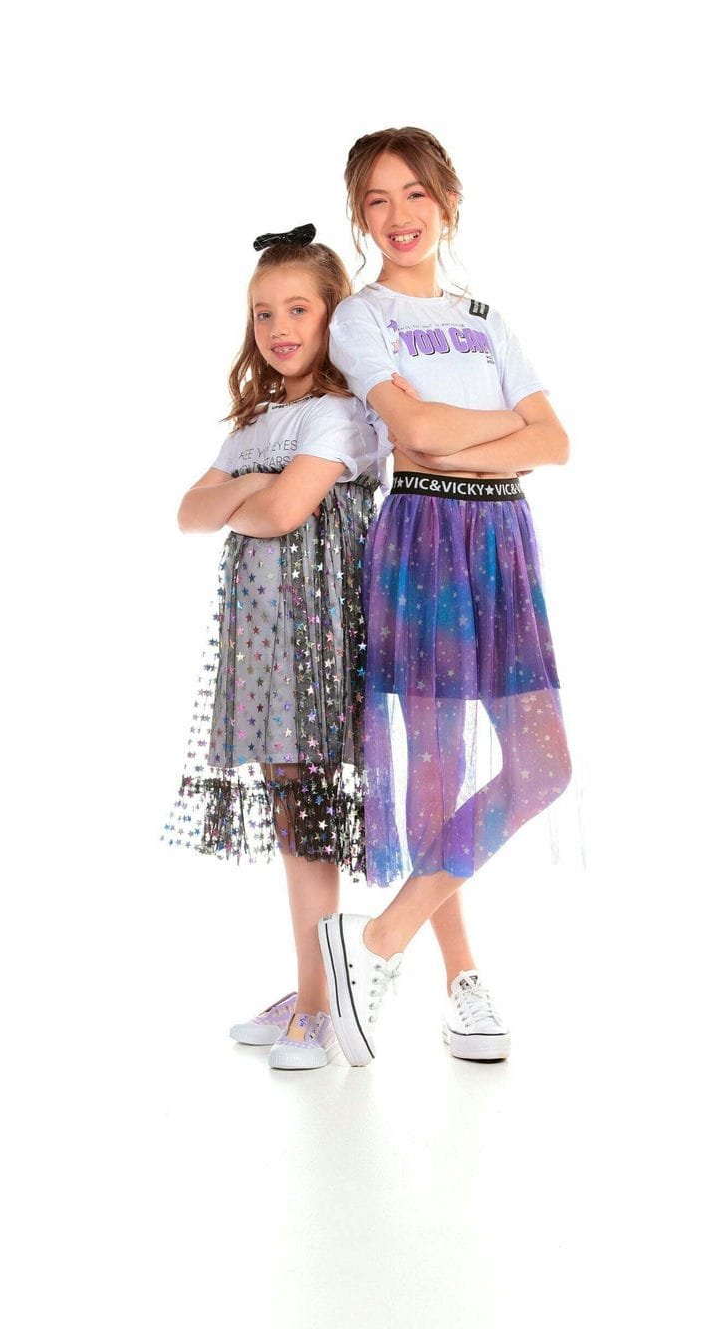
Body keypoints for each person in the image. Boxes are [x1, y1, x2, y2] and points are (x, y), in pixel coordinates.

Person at [321, 127, 573, 1066]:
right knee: (435, 769)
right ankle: (461, 979)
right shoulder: (362, 318)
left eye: (415, 194)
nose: (399, 216)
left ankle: (376, 937)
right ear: (360, 216)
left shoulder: (485, 317)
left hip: (504, 543)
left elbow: (555, 441)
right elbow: (414, 434)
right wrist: (499, 430)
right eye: (377, 200)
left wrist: (461, 433)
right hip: (424, 536)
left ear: (447, 202)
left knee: (543, 764)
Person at [162, 225, 379, 1071]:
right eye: (263, 314)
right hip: (262, 648)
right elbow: (189, 513)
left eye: (298, 310)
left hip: (317, 644)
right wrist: (255, 482)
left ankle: (322, 1006)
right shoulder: (257, 423)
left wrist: (246, 495)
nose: (279, 329)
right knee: (293, 814)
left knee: (310, 814)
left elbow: (287, 513)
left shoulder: (339, 414)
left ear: (332, 316)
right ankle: (309, 990)